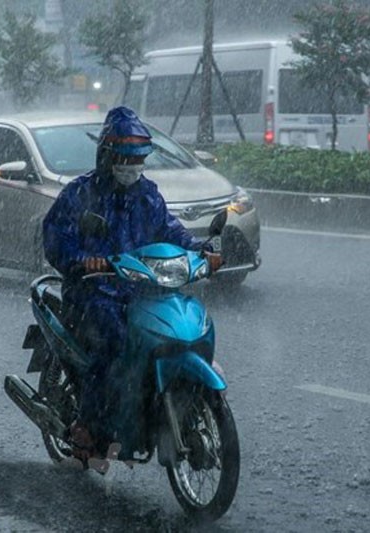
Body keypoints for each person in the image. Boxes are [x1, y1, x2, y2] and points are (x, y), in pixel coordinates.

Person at [42, 106, 222, 460]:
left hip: (142, 288)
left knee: (182, 325)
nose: (131, 166)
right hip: (94, 290)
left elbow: (169, 229)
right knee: (113, 340)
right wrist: (82, 260)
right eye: (124, 157)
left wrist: (201, 250)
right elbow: (55, 240)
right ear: (107, 156)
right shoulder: (80, 195)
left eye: (137, 158)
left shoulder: (147, 195)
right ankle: (88, 426)